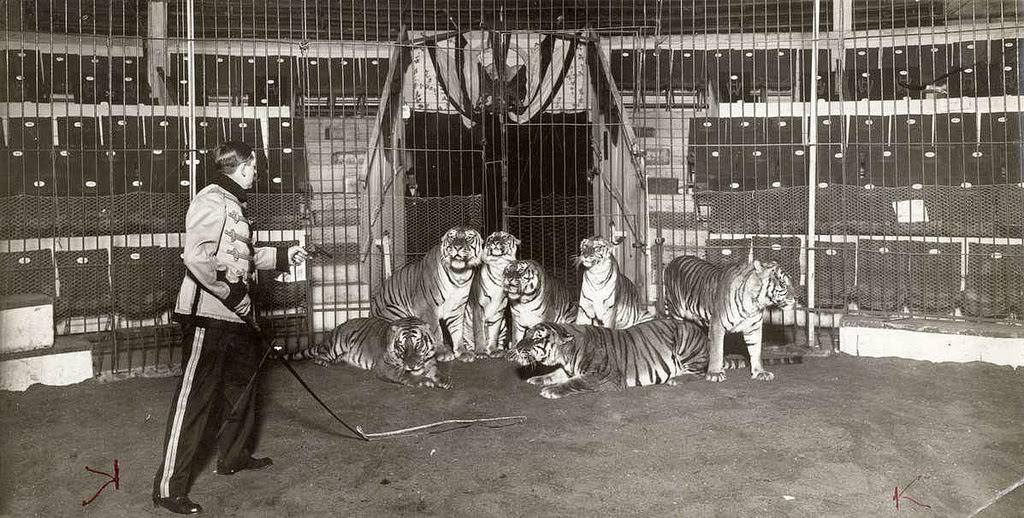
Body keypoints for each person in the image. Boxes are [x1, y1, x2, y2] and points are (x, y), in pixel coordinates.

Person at [152, 141, 308, 514]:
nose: (258, 172)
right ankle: (167, 488)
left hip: (235, 317)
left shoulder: (234, 203)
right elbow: (197, 257)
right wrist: (232, 291)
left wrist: (284, 255)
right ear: (244, 164)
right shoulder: (211, 198)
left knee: (243, 385)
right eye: (255, 165)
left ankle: (233, 456)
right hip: (209, 314)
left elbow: (241, 256)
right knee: (195, 399)